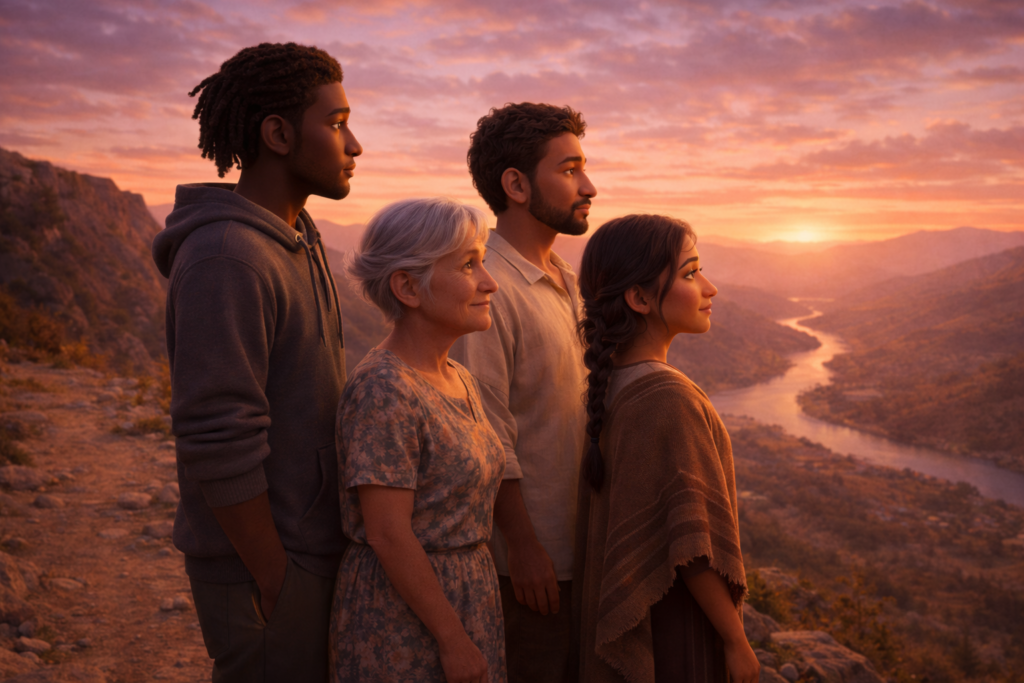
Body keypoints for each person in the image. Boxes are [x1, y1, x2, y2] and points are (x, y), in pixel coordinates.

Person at [151, 42, 362, 682]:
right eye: (335, 123)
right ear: (277, 133)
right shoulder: (228, 257)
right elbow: (217, 435)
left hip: (305, 546)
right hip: (264, 562)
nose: (354, 145)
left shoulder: (299, 235)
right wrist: (275, 576)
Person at [571, 215, 759, 683]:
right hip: (676, 620)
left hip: (653, 609)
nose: (710, 288)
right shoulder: (667, 398)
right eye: (692, 273)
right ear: (638, 299)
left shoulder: (613, 384)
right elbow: (692, 547)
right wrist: (736, 640)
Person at [449, 102, 596, 682]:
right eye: (569, 169)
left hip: (579, 548)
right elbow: (484, 430)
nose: (589, 186)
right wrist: (524, 546)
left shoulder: (565, 279)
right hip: (529, 565)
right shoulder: (488, 286)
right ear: (515, 183)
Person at [331, 198, 506, 683]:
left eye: (483, 261)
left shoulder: (458, 377)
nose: (488, 282)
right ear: (408, 287)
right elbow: (388, 533)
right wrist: (452, 639)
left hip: (466, 596)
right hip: (408, 618)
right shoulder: (384, 388)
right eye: (469, 265)